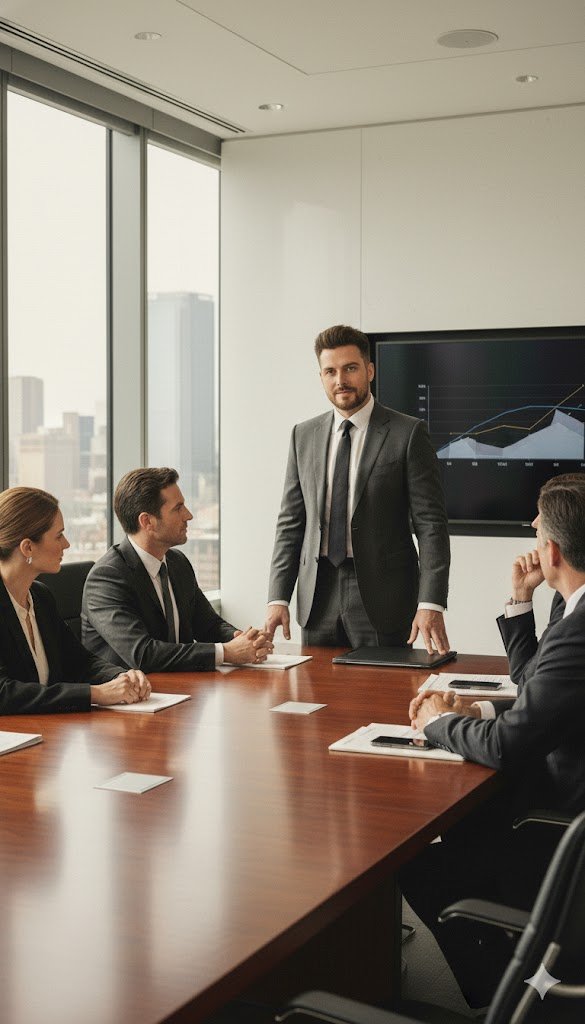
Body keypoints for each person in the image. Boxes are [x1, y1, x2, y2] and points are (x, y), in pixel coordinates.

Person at [400, 472, 585, 1007]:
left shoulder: (578, 627)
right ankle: (526, 964)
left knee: (418, 860)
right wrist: (476, 709)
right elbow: (543, 694)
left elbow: (510, 744)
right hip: (559, 802)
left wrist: (438, 722)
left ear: (551, 550)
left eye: (536, 535)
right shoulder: (571, 611)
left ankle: (509, 997)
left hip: (559, 825)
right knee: (469, 822)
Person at [265, 324, 450, 651]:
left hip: (384, 598)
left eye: (350, 368)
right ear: (321, 377)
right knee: (315, 694)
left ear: (369, 370)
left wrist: (430, 603)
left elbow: (430, 525)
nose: (341, 380)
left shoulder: (407, 434)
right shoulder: (302, 436)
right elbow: (291, 523)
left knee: (382, 696)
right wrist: (278, 596)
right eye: (330, 371)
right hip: (317, 594)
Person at [82, 467, 273, 672]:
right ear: (147, 522)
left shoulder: (177, 562)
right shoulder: (107, 578)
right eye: (178, 508)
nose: (188, 515)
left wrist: (244, 640)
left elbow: (208, 625)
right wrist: (226, 652)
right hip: (127, 697)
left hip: (179, 689)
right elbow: (143, 654)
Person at [0, 487, 151, 715]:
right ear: (27, 547)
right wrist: (96, 694)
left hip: (45, 734)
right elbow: (4, 693)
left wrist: (121, 676)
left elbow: (79, 661)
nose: (67, 544)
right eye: (59, 535)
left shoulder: (40, 597)